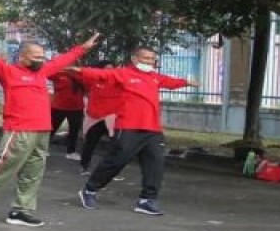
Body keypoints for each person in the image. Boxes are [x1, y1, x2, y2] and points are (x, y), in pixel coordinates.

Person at [0, 29, 100, 228]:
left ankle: (21, 210)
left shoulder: (43, 71)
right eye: (36, 57)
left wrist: (82, 48)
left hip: (42, 130)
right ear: (23, 56)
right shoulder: (8, 72)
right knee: (1, 168)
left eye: (43, 57)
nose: (41, 60)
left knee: (33, 173)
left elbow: (61, 60)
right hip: (19, 130)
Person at [76, 48, 196, 215]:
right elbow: (100, 75)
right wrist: (78, 69)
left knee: (155, 164)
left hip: (152, 129)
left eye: (152, 59)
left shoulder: (154, 77)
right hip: (128, 126)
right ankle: (89, 190)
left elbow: (170, 82)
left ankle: (147, 200)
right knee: (117, 160)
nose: (149, 62)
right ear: (134, 58)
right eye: (145, 58)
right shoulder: (123, 73)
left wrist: (187, 82)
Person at [72, 62, 122, 174]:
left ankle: (110, 171)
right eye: (107, 69)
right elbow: (79, 74)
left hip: (112, 119)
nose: (109, 72)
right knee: (90, 144)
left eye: (112, 69)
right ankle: (84, 167)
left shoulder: (118, 81)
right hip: (94, 118)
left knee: (116, 146)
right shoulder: (92, 81)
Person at [49, 70, 85, 159]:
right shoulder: (59, 73)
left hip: (76, 108)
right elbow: (47, 73)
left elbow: (88, 84)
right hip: (58, 107)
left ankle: (71, 152)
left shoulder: (81, 75)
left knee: (74, 131)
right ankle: (43, 148)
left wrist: (75, 74)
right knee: (50, 129)